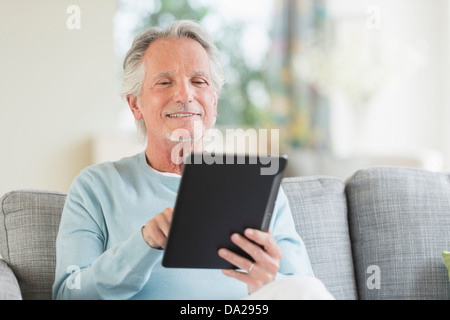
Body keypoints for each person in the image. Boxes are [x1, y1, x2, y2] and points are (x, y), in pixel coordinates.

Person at [52, 20, 332, 300]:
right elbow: (69, 294)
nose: (185, 95)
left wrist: (268, 281)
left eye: (199, 82)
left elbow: (304, 288)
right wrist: (144, 242)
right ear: (135, 104)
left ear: (214, 100)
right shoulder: (95, 188)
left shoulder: (261, 186)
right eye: (164, 82)